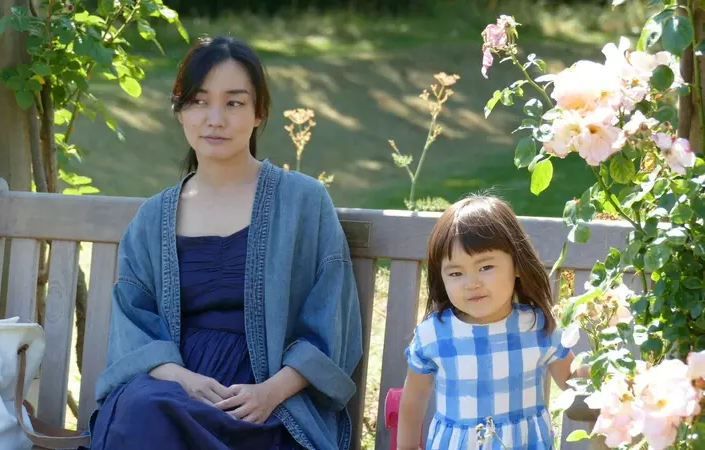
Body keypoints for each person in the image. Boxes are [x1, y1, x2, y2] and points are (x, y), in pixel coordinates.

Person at [87, 35, 363, 450]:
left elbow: (331, 325)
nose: (214, 118)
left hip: (268, 404)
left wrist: (269, 392)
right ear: (180, 111)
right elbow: (134, 324)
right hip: (174, 388)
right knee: (143, 410)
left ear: (258, 113)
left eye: (234, 102)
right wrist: (182, 379)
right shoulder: (152, 219)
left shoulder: (302, 202)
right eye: (199, 101)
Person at [396, 194, 587, 450]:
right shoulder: (435, 334)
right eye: (455, 273)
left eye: (485, 267)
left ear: (517, 264)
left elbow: (573, 382)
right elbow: (414, 399)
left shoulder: (537, 327)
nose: (472, 283)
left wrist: (603, 370)